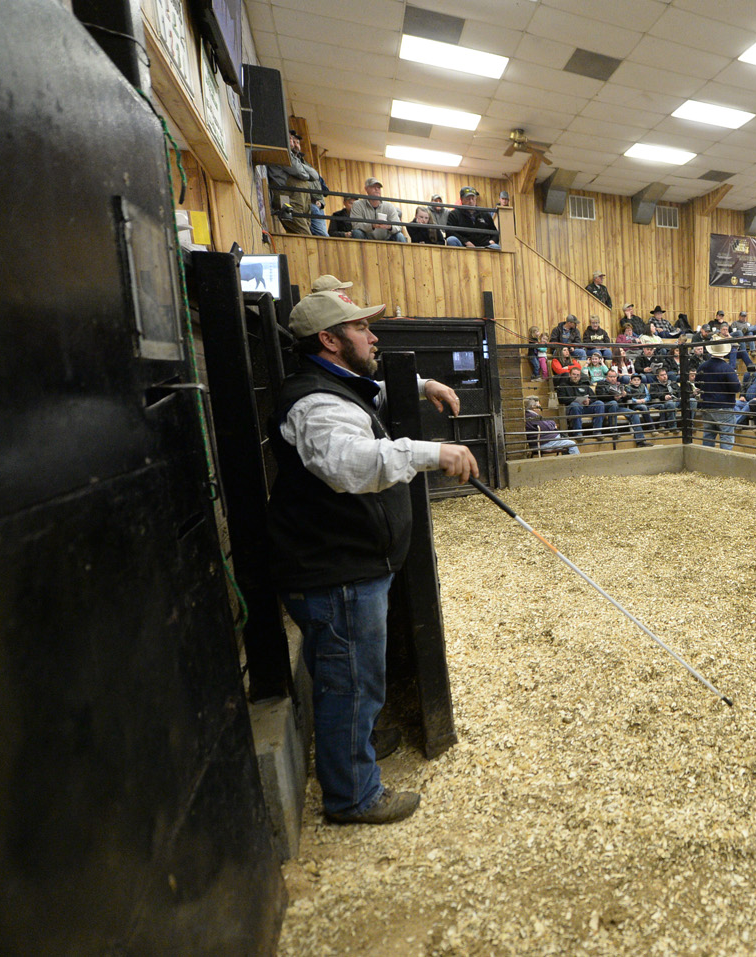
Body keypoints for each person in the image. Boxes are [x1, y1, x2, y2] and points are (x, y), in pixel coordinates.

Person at [268, 287, 475, 825]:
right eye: (361, 328)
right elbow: (349, 463)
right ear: (330, 340)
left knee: (349, 673)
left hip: (345, 561)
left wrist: (423, 383)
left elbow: (368, 394)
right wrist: (435, 452)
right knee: (351, 678)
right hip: (336, 566)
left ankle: (352, 748)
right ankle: (354, 795)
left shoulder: (334, 385)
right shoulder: (314, 404)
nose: (373, 335)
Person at [267, 129, 324, 235]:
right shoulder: (281, 153)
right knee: (304, 235)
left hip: (300, 201)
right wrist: (304, 175)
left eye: (292, 139)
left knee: (305, 233)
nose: (292, 141)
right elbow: (301, 173)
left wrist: (302, 171)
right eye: (289, 138)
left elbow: (315, 175)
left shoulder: (293, 156)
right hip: (288, 200)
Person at [696, 339, 739, 450]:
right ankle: (724, 464)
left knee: (708, 436)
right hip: (723, 406)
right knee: (726, 436)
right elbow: (735, 387)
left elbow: (697, 383)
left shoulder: (703, 366)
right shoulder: (727, 368)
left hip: (707, 405)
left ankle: (707, 462)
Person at [350, 177, 408, 242]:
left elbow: (398, 226)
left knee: (400, 236)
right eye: (373, 186)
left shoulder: (389, 206)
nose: (377, 189)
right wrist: (372, 226)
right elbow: (355, 225)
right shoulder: (358, 205)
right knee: (357, 233)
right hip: (366, 238)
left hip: (387, 239)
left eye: (379, 187)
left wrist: (390, 227)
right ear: (366, 189)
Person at [555, 366, 603, 437]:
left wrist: (589, 401)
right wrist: (576, 399)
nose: (575, 377)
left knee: (600, 403)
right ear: (569, 375)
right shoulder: (563, 386)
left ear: (580, 376)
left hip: (585, 407)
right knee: (575, 405)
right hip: (571, 409)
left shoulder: (585, 386)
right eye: (574, 374)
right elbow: (561, 399)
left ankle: (597, 432)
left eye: (577, 375)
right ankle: (578, 433)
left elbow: (594, 398)